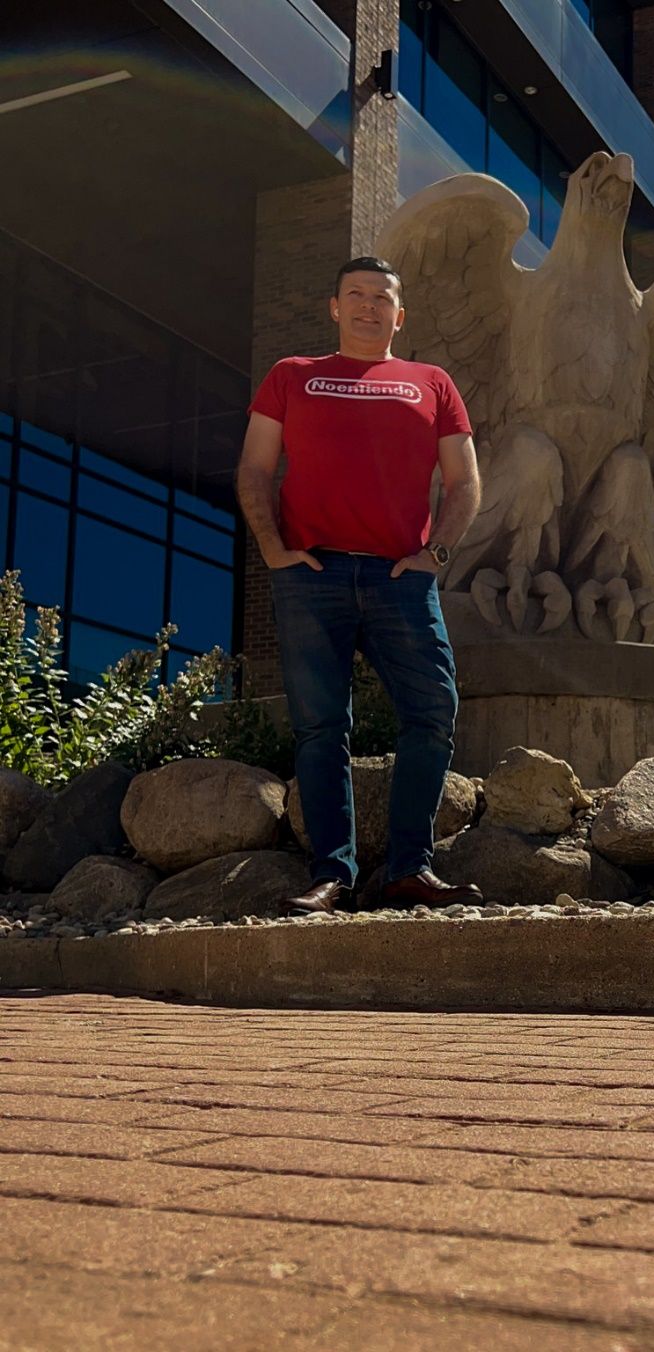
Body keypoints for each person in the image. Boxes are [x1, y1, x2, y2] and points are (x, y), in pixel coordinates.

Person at [236, 255, 484, 916]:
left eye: (382, 297)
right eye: (356, 294)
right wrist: (272, 549)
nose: (369, 306)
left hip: (400, 578)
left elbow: (465, 482)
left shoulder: (431, 382)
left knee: (432, 711)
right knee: (321, 729)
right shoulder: (294, 376)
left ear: (400, 315)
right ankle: (333, 877)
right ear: (334, 308)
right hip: (309, 575)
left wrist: (437, 555)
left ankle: (409, 869)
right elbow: (255, 468)